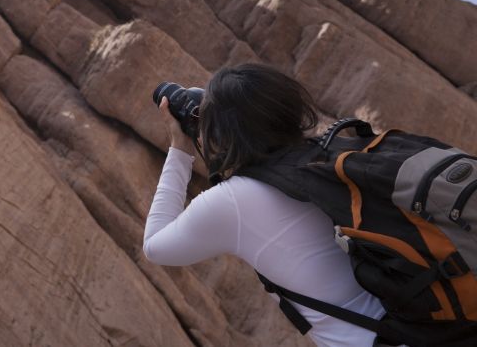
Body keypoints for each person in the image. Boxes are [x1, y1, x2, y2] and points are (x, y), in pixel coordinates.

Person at [146, 63, 386, 347]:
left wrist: (180, 148)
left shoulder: (233, 201)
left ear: (222, 133)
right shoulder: (331, 156)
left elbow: (155, 247)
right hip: (434, 322)